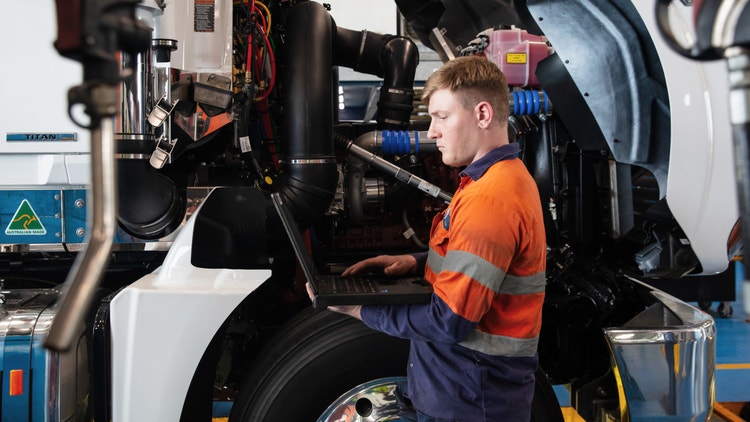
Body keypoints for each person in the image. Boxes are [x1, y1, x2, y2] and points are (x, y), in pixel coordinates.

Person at [308, 55, 547, 421]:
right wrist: (413, 262)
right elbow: (478, 261)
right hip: (468, 387)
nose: (432, 131)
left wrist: (359, 309)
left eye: (442, 116)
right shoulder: (499, 179)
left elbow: (448, 320)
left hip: (472, 398)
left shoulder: (490, 199)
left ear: (483, 115)